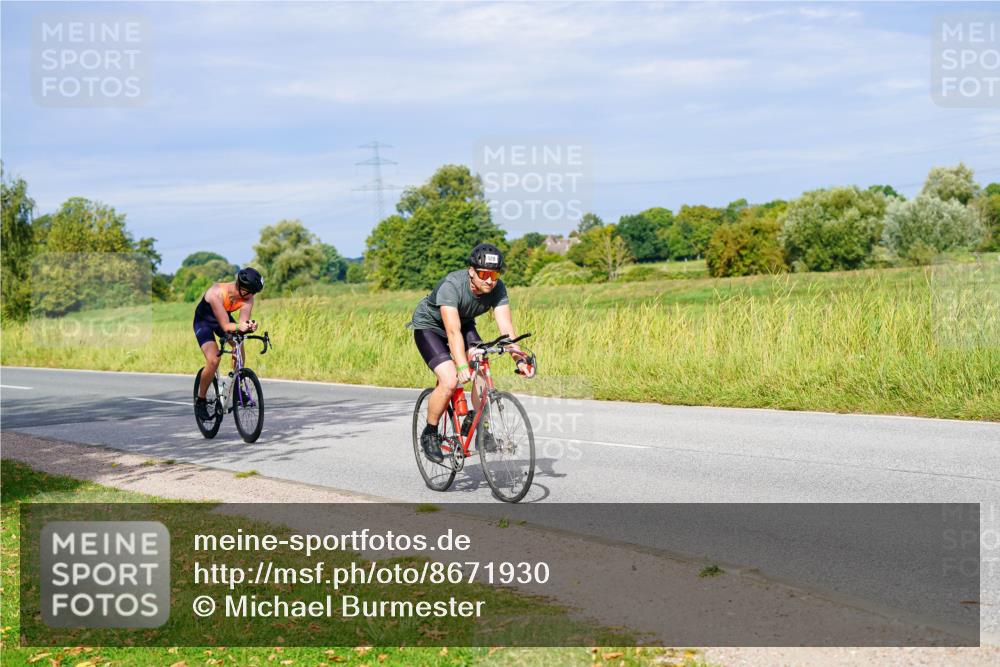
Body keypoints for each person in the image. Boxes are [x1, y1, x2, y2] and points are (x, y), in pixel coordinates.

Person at [408, 243, 532, 463]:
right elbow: (452, 332)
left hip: (464, 324)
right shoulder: (451, 286)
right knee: (449, 380)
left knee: (481, 363)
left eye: (495, 274)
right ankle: (430, 433)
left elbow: (506, 329)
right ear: (472, 271)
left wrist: (519, 358)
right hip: (430, 327)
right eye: (484, 274)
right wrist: (461, 365)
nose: (489, 280)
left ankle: (480, 429)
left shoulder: (498, 288)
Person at [193, 267, 264, 420]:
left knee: (238, 343)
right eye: (251, 292)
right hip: (204, 322)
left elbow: (242, 323)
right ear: (242, 287)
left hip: (222, 319)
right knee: (213, 360)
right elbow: (226, 326)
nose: (252, 296)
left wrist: (249, 326)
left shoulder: (248, 297)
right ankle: (201, 400)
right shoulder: (216, 293)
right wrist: (240, 327)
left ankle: (237, 386)